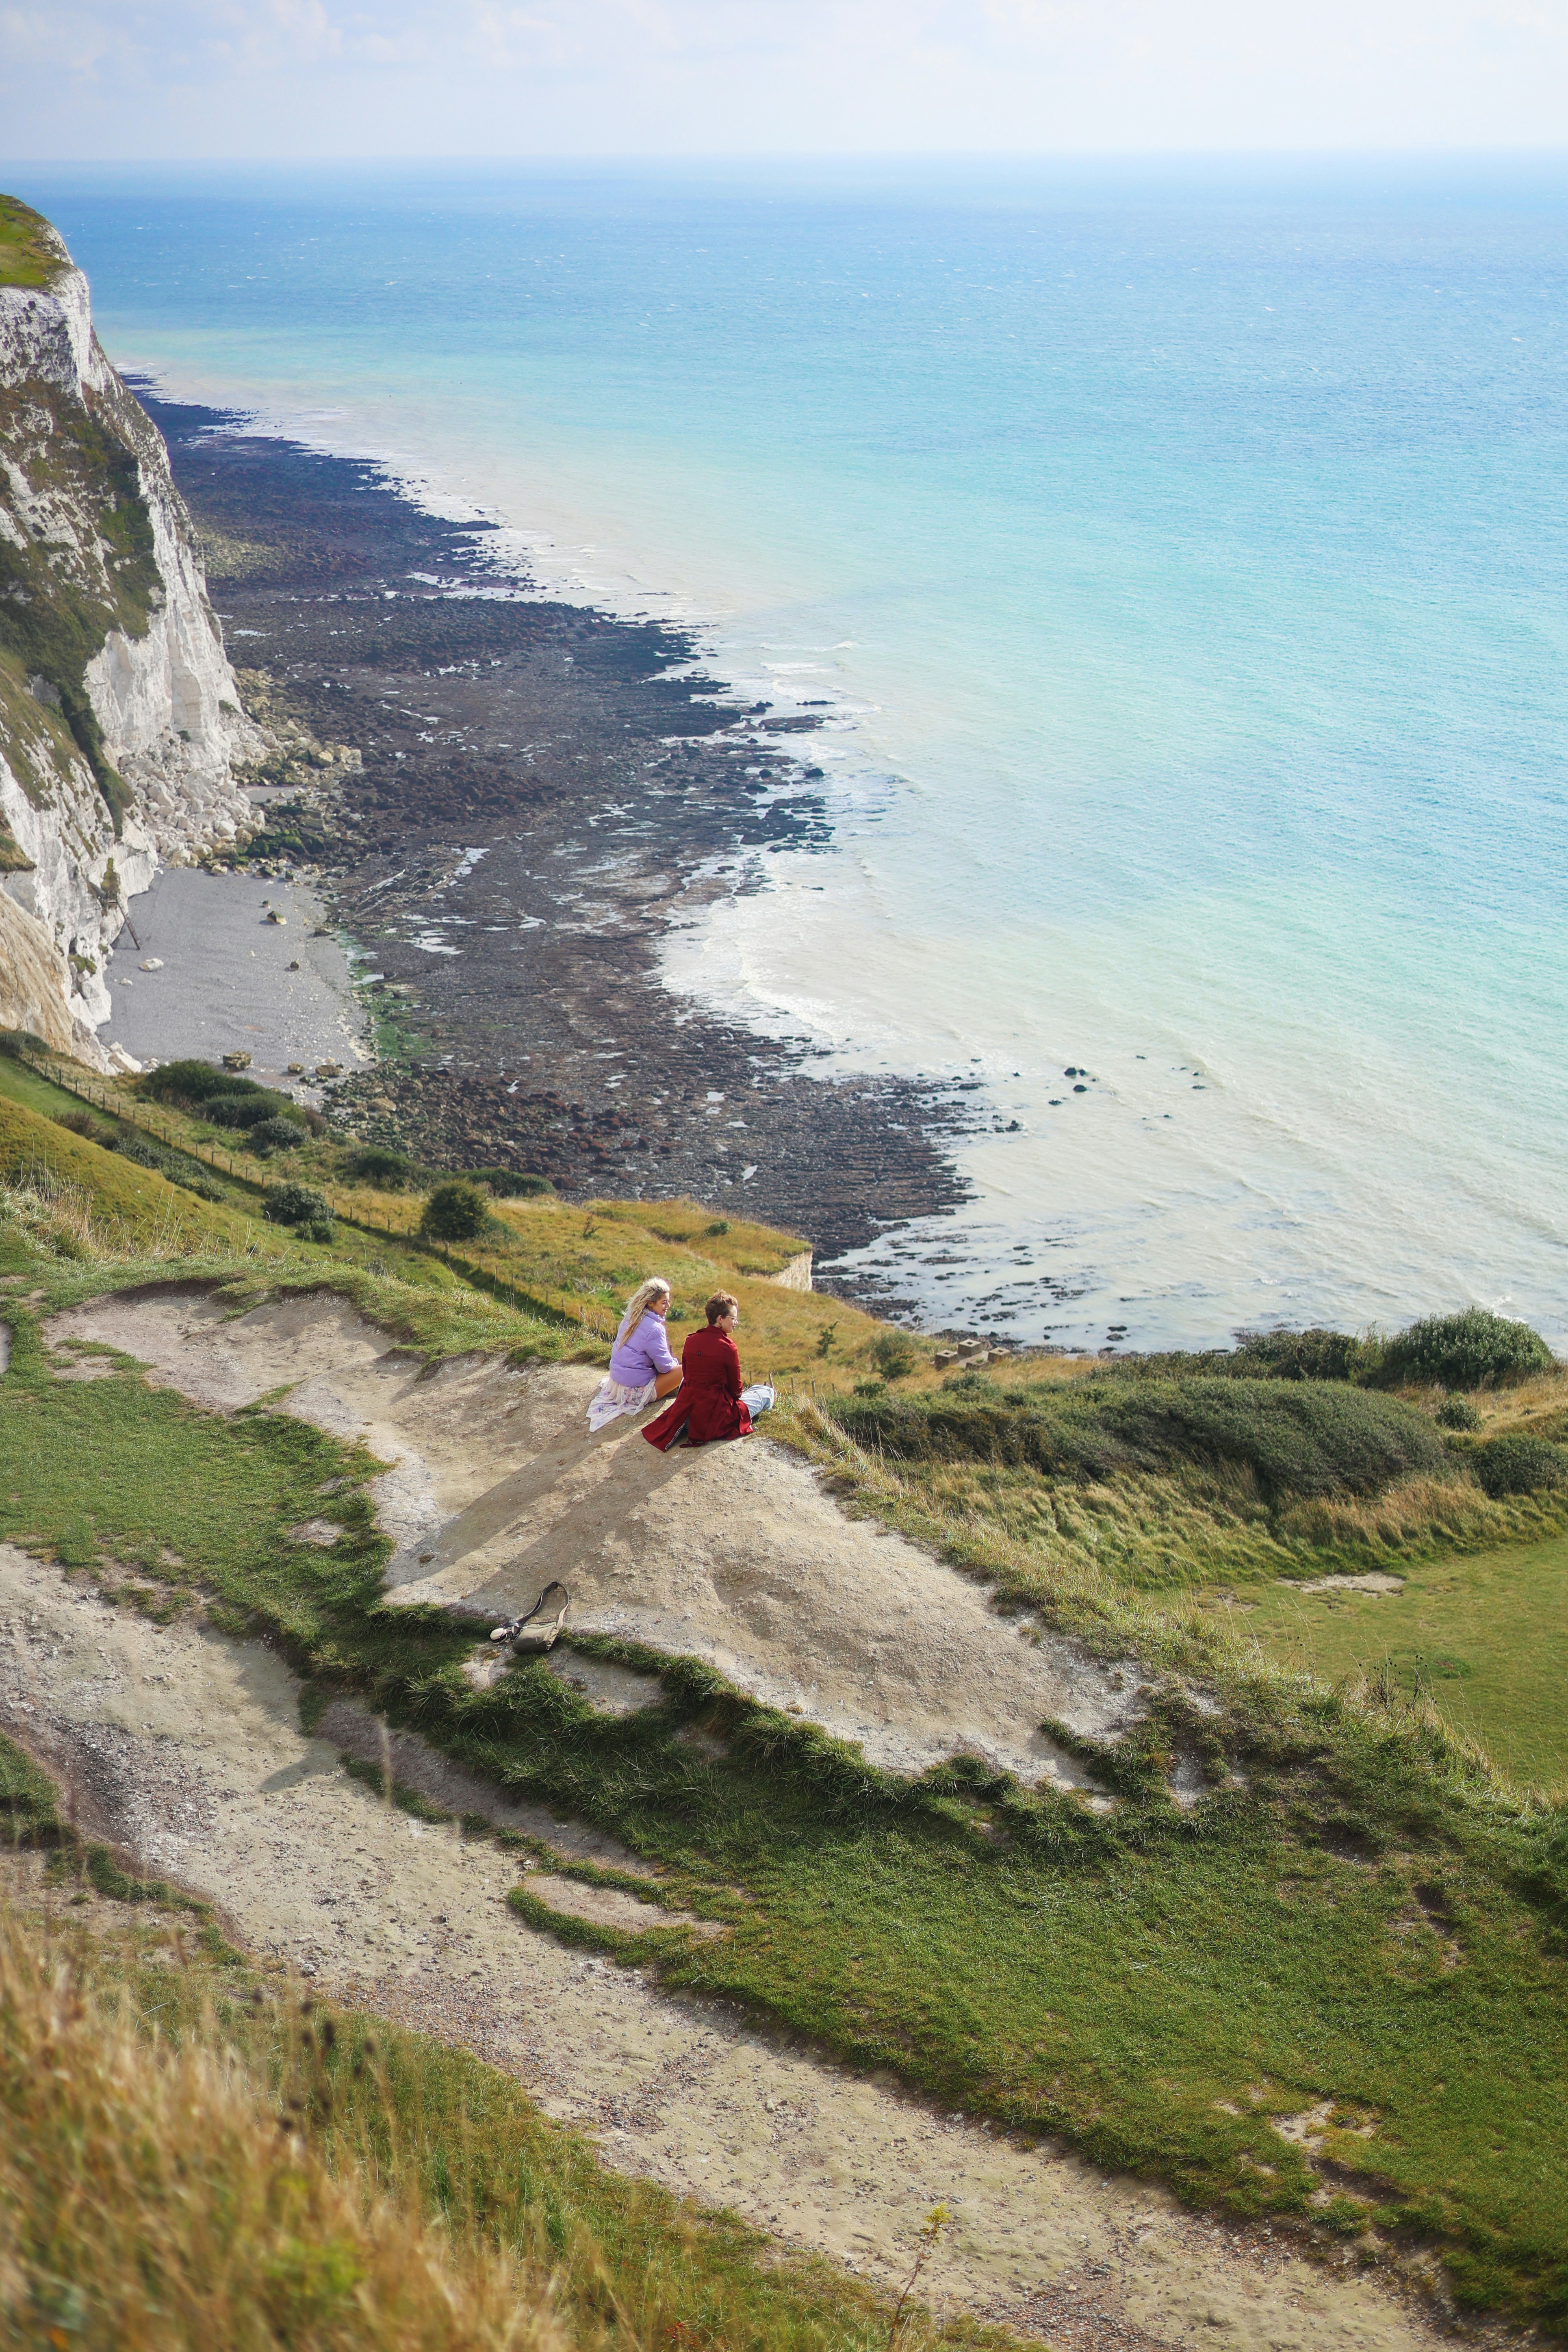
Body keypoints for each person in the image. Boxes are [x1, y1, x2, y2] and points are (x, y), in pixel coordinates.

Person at [642, 1289, 774, 1452]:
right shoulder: (728, 1347)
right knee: (765, 1393)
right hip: (712, 1419)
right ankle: (766, 1394)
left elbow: (687, 1377)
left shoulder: (690, 1340)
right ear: (720, 1319)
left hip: (685, 1416)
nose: (736, 1322)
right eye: (733, 1318)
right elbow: (737, 1392)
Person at [586, 1276, 682, 1432]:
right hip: (634, 1392)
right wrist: (675, 1363)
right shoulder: (655, 1329)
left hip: (616, 1384)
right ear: (651, 1303)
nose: (668, 1306)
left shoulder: (632, 1316)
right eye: (664, 1302)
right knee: (685, 1370)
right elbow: (665, 1367)